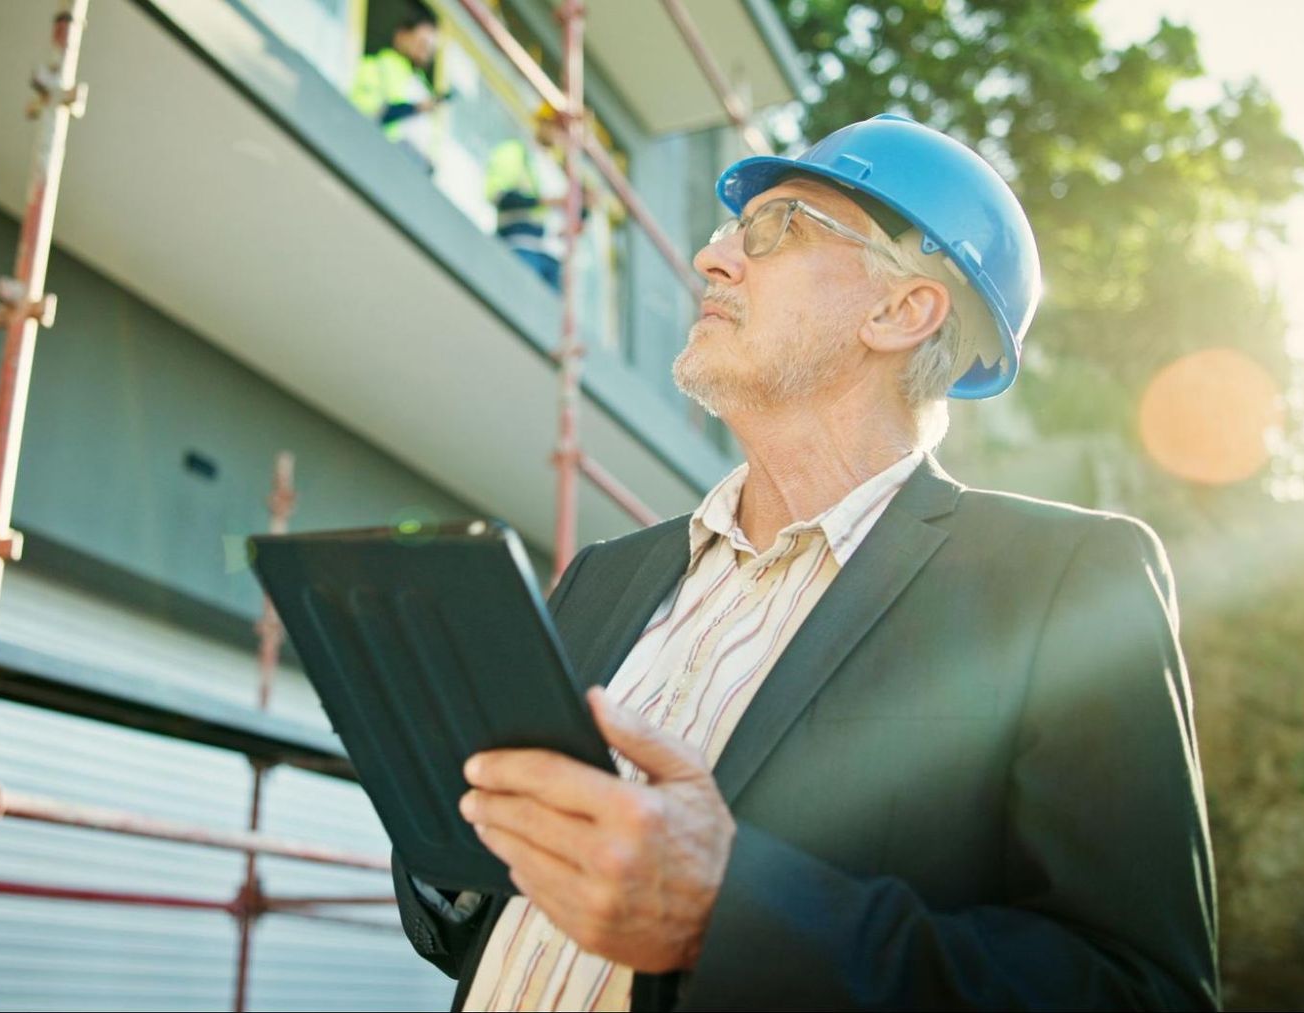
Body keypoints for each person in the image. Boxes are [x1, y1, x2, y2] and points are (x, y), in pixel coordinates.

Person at [392, 114, 1220, 1011]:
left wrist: (728, 912)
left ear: (901, 310)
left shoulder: (1060, 584)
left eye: (776, 229)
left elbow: (1142, 994)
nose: (712, 261)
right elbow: (469, 925)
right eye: (724, 235)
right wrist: (462, 843)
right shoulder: (604, 576)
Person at [349, 3, 448, 174]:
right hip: (374, 160)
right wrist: (413, 108)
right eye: (421, 44)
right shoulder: (376, 66)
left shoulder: (424, 91)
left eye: (429, 50)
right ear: (401, 36)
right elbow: (364, 114)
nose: (424, 53)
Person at [484, 105, 575, 290]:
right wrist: (547, 201)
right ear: (541, 123)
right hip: (520, 245)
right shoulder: (515, 152)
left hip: (552, 257)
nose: (560, 133)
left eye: (563, 128)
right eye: (556, 125)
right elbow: (498, 197)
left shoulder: (559, 173)